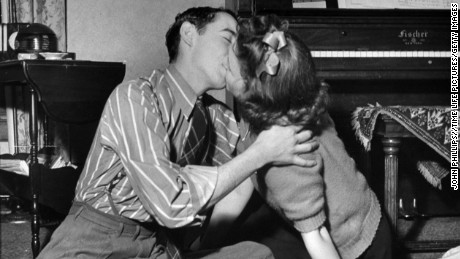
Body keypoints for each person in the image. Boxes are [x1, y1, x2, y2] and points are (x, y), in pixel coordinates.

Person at [37, 7, 319, 259]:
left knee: (257, 254)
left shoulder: (221, 118)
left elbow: (256, 163)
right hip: (98, 239)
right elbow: (170, 202)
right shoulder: (136, 97)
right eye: (227, 39)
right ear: (189, 34)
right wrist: (260, 153)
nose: (236, 53)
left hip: (158, 245)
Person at [219, 14, 393, 259]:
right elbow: (241, 186)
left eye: (228, 66)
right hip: (350, 212)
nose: (222, 61)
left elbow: (318, 238)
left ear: (251, 87)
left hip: (359, 246)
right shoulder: (290, 100)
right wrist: (199, 247)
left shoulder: (288, 160)